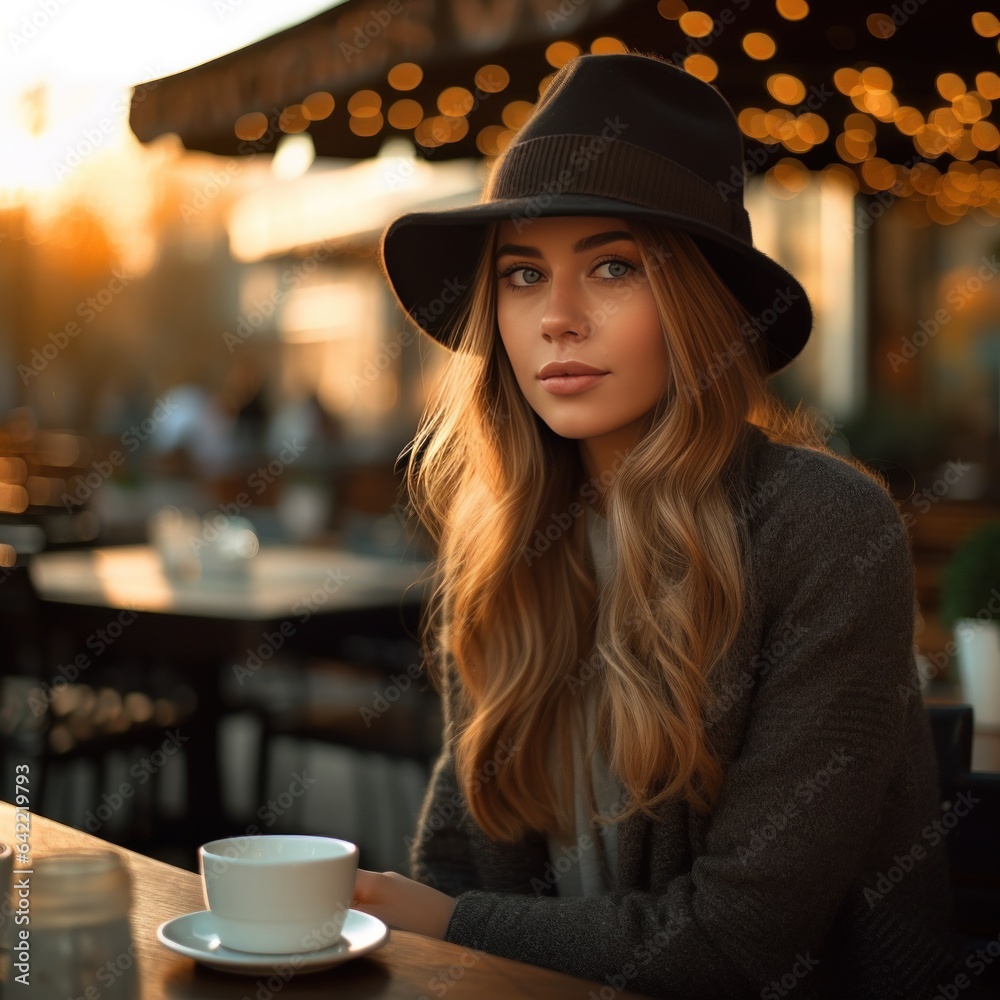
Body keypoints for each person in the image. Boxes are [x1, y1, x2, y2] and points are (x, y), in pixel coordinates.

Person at [353, 51, 965, 999]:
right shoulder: (508, 543)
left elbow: (734, 948)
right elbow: (456, 861)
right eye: (522, 274)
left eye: (611, 266)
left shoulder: (826, 532)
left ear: (695, 304)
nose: (556, 318)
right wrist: (440, 914)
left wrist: (447, 923)